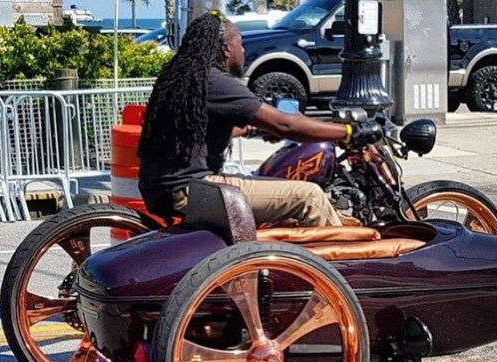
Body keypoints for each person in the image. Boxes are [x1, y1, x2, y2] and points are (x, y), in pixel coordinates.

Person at [138, 10, 375, 227]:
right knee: (310, 196)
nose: (243, 50)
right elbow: (286, 124)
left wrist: (256, 130)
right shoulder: (216, 82)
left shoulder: (185, 78)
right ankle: (332, 261)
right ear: (226, 49)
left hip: (165, 189)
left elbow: (198, 131)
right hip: (193, 190)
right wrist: (350, 132)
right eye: (240, 43)